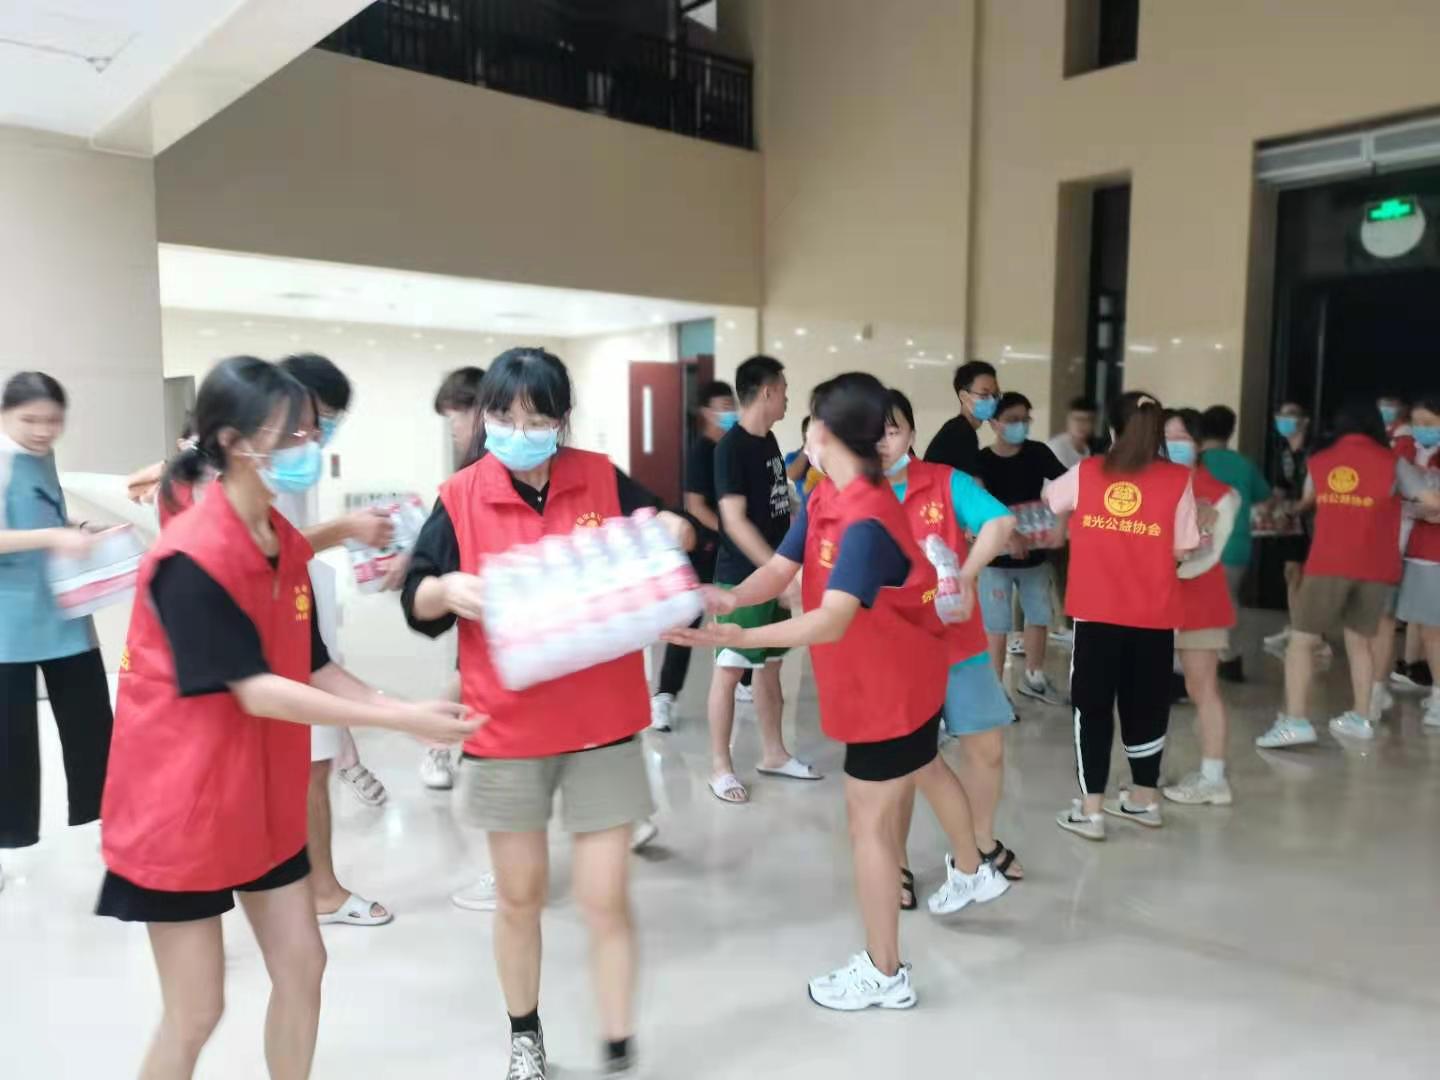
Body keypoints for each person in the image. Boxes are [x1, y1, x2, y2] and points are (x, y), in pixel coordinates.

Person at [97, 356, 476, 1080]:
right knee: (196, 1010)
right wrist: (395, 724)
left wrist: (402, 708)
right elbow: (258, 690)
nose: (310, 445)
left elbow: (310, 661)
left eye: (313, 430)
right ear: (234, 441)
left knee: (303, 964)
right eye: (294, 433)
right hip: (180, 808)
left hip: (259, 795)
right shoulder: (189, 557)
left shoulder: (280, 538)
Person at [669, 373, 1009, 1012]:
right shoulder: (827, 496)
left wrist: (736, 638)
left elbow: (829, 620)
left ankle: (885, 972)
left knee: (868, 826)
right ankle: (972, 870)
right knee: (920, 773)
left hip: (891, 689)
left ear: (826, 432)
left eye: (812, 425)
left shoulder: (869, 519)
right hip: (876, 679)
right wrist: (727, 598)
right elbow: (780, 569)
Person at [402, 346, 693, 1079]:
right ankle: (524, 1033)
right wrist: (448, 590)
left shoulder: (599, 476)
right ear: (486, 417)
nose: (519, 431)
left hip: (603, 725)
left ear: (562, 420)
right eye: (504, 416)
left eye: (537, 418)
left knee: (605, 896)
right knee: (521, 897)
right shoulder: (461, 495)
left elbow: (680, 529)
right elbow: (417, 596)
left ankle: (618, 1043)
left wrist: (675, 534)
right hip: (507, 730)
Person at [878, 390, 1024, 887]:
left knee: (987, 749)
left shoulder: (943, 482)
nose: (883, 442)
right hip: (893, 650)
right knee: (901, 766)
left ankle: (981, 841)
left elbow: (1000, 521)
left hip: (956, 640)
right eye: (873, 433)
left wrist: (966, 573)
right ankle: (896, 861)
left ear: (911, 434)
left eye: (893, 430)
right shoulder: (855, 493)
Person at [275, 353, 398, 929]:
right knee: (310, 763)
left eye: (327, 422)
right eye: (314, 419)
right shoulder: (253, 464)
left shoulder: (293, 461)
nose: (319, 433)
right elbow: (266, 546)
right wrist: (347, 528)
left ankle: (307, 884)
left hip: (300, 620)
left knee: (313, 760)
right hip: (277, 631)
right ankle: (319, 890)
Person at [1045, 391, 1200, 840]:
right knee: (1146, 703)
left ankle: (1091, 811)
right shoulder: (1178, 479)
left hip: (1097, 612)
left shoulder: (1088, 471)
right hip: (1154, 613)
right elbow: (1183, 548)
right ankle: (1144, 799)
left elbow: (1052, 499)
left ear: (1111, 429)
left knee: (1092, 706)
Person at [1257, 396, 1440, 747]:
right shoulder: (1394, 463)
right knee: (1361, 642)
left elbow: (1307, 502)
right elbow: (1432, 502)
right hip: (1377, 566)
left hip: (1329, 562)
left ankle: (1295, 721)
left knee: (1302, 641)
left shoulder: (1320, 460)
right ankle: (1360, 717)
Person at [0, 372, 112, 896]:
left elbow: (43, 511)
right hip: (9, 622)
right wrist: (53, 535)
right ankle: (6, 845)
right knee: (9, 742)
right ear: (4, 415)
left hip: (64, 611)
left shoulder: (40, 456)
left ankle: (115, 833)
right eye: (30, 420)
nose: (43, 430)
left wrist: (75, 528)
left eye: (53, 420)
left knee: (94, 730)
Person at [706, 354, 818, 804]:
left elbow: (776, 505)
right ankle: (720, 767)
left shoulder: (769, 440)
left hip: (773, 572)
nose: (788, 398)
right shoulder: (730, 449)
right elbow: (734, 522)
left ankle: (774, 753)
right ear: (767, 391)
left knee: (771, 666)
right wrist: (777, 572)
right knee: (730, 669)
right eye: (784, 390)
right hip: (742, 579)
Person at [1160, 409, 1240, 807]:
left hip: (1199, 602)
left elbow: (1202, 559)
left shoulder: (1221, 494)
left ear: (1198, 443)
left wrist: (1164, 559)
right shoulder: (1150, 485)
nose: (1173, 444)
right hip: (1151, 601)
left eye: (1182, 437)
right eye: (1167, 436)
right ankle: (1148, 773)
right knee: (1148, 691)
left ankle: (1213, 778)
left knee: (1202, 688)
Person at [650, 380, 737, 733]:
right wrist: (731, 532)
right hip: (703, 544)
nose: (730, 412)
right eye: (723, 406)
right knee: (687, 619)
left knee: (741, 609)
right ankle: (664, 696)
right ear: (706, 412)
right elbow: (696, 506)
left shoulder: (734, 448)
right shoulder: (701, 451)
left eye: (732, 405)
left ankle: (746, 681)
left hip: (731, 545)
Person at [975, 391, 1068, 704]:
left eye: (1025, 419)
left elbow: (1068, 484)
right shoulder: (982, 461)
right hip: (995, 558)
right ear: (994, 423)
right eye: (1012, 420)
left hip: (1034, 555)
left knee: (1038, 615)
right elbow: (979, 505)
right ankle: (995, 689)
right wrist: (1008, 534)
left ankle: (1034, 677)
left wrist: (1060, 523)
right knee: (996, 624)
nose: (1020, 426)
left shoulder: (1037, 453)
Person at [421, 364, 486, 791]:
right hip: (480, 601)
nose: (454, 431)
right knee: (468, 678)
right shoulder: (463, 483)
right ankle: (436, 746)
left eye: (455, 419)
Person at [1197, 405, 1270, 683]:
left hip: (1199, 542)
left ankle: (1197, 659)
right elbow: (1263, 497)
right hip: (1236, 544)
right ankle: (1229, 658)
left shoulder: (1194, 463)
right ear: (1231, 431)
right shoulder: (1244, 464)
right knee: (1228, 599)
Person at [1392, 395, 1440, 729]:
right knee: (1425, 627)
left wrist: (1420, 507)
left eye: (1429, 423)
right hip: (1418, 549)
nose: (1421, 429)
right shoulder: (1413, 453)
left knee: (1433, 631)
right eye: (1417, 423)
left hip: (1433, 555)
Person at [1262, 401, 1322, 661]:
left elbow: (1313, 496)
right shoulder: (1284, 453)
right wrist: (1268, 508)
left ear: (1305, 421)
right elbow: (1280, 488)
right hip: (1293, 522)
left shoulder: (1316, 452)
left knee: (1310, 578)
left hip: (1315, 523)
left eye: (1290, 416)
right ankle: (1296, 627)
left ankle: (1313, 634)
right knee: (1292, 572)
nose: (1283, 420)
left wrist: (1290, 511)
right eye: (1280, 415)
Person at [924, 360, 999, 475]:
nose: (992, 401)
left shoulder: (959, 428)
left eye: (995, 395)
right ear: (964, 396)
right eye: (984, 395)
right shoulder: (960, 433)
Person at [1046, 395, 1097, 470]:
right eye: (1077, 419)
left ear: (1093, 423)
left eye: (1087, 420)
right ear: (1068, 421)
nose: (1081, 424)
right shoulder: (1056, 448)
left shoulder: (1088, 449)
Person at [783, 415, 823, 502]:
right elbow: (791, 476)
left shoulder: (826, 456)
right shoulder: (792, 456)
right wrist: (808, 447)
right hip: (804, 509)